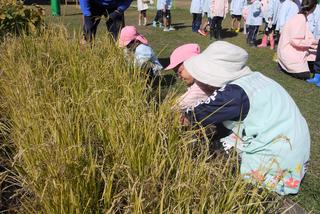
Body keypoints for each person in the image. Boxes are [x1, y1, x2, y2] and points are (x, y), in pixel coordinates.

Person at [181, 41, 310, 196]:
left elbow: (193, 116)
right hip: (294, 150)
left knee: (215, 154)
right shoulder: (255, 79)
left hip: (275, 159)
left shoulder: (233, 94)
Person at [277, 0, 318, 80]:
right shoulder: (300, 19)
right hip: (289, 53)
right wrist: (312, 43)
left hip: (289, 51)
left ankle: (284, 66)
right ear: (313, 7)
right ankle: (285, 67)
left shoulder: (300, 17)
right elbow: (295, 40)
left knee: (314, 59)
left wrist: (315, 43)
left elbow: (307, 36)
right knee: (305, 75)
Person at [165, 44, 210, 110]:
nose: (179, 77)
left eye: (179, 72)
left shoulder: (203, 84)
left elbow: (178, 106)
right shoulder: (204, 76)